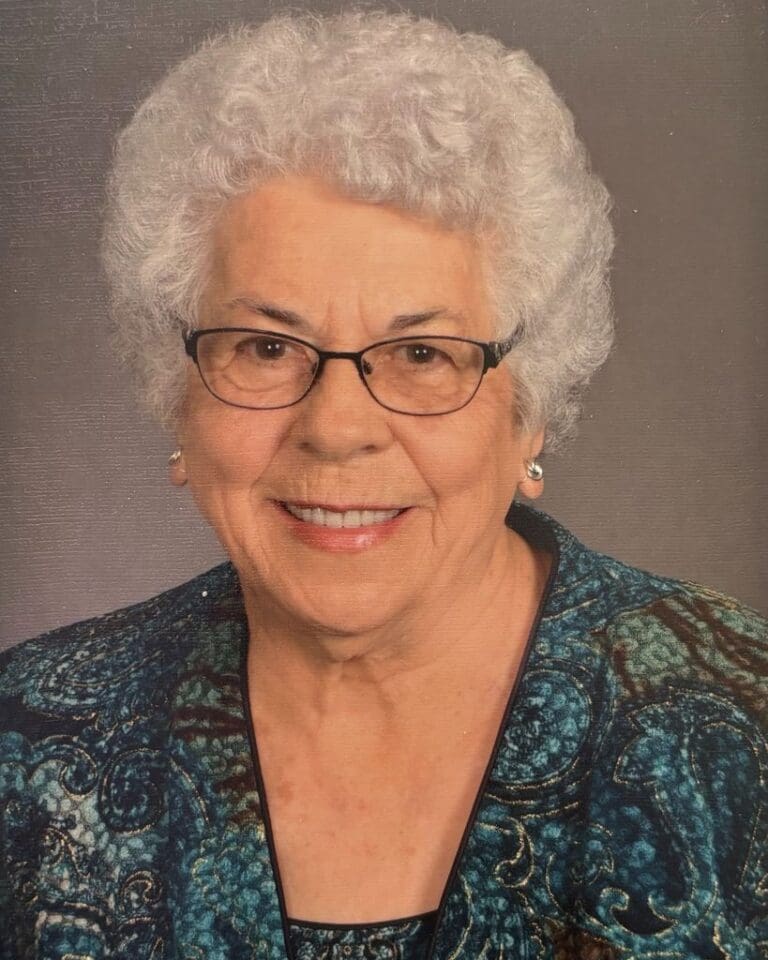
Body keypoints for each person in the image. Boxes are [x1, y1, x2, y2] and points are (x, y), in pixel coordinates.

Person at [0, 9, 765, 959]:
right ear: (177, 393)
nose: (337, 428)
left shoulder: (741, 725)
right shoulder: (28, 743)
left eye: (421, 354)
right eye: (266, 347)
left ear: (530, 411)